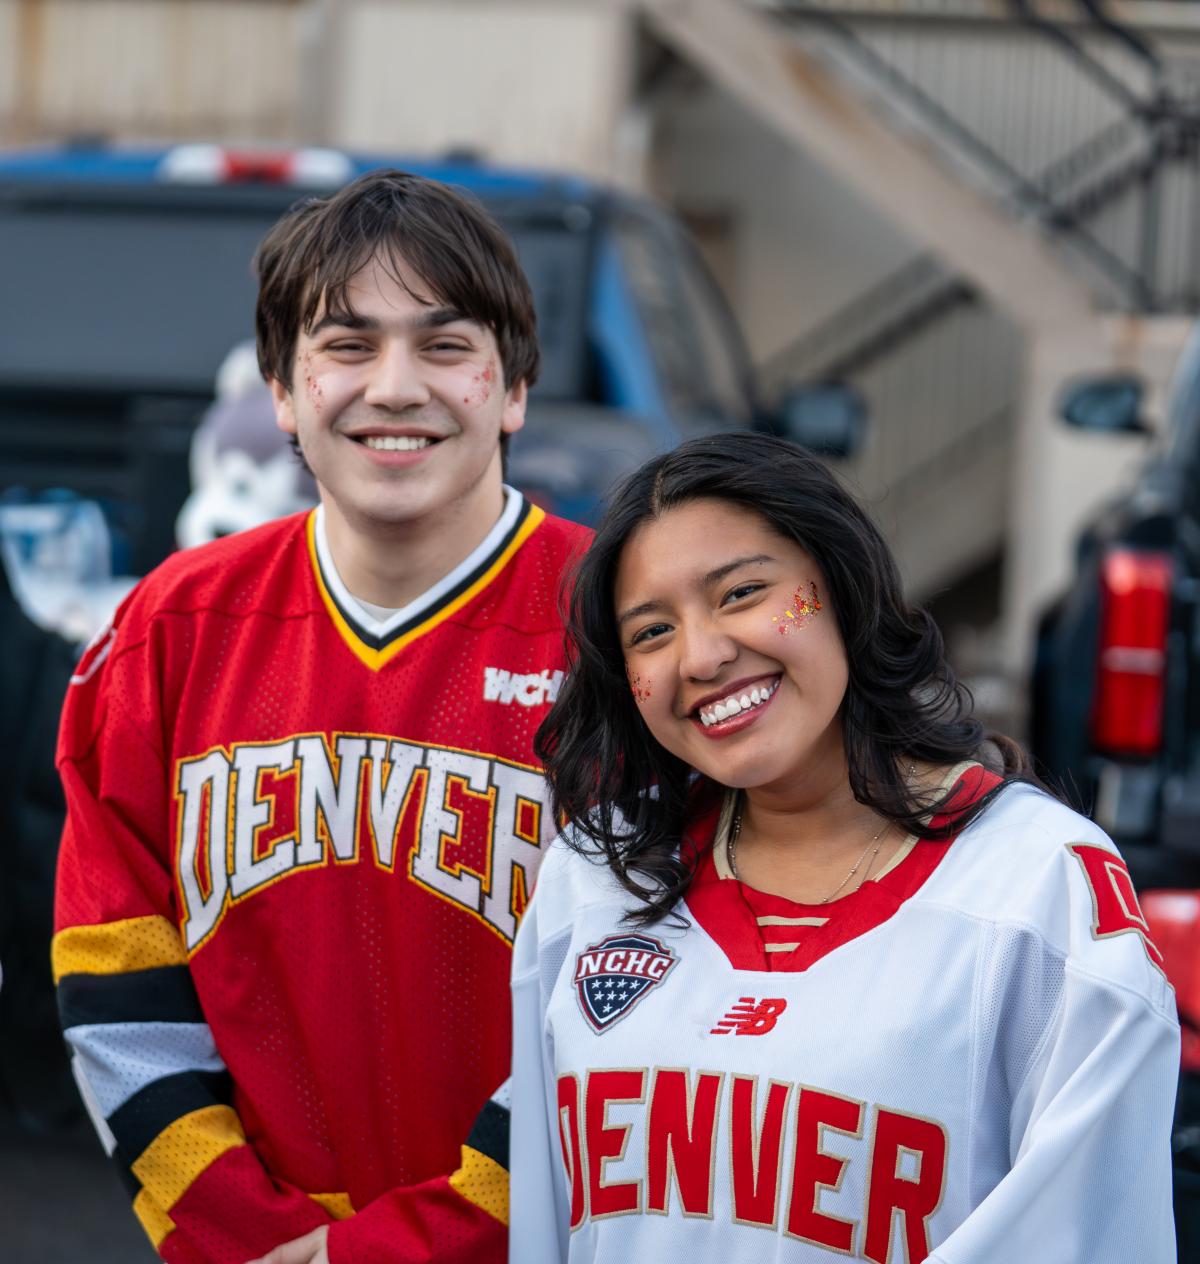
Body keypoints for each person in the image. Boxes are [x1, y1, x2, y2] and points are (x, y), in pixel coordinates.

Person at [52, 169, 589, 1264]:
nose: (395, 387)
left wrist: (399, 1250)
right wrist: (239, 1235)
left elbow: (647, 995)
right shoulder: (171, 629)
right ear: (285, 395)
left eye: (445, 346)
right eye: (346, 345)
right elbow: (114, 969)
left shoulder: (620, 630)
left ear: (514, 387)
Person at [510, 432, 1179, 1262]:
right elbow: (543, 1222)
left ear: (839, 586)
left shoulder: (1041, 886)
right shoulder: (595, 877)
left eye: (743, 592)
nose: (703, 655)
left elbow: (1086, 1231)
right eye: (650, 633)